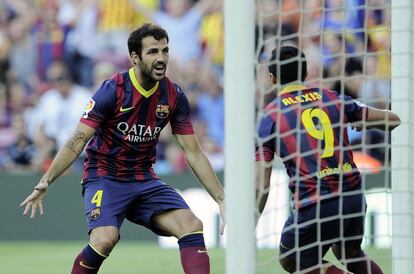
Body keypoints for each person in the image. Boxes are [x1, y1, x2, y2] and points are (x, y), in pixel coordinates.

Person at [20, 23, 225, 274]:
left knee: (191, 224)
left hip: (143, 178)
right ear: (135, 57)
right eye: (153, 52)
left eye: (165, 51)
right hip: (105, 176)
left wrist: (222, 199)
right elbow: (77, 140)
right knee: (105, 239)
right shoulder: (112, 90)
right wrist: (47, 179)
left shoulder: (173, 95)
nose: (161, 58)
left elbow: (193, 151)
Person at [255, 46, 400, 274]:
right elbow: (392, 121)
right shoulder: (332, 98)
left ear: (272, 78)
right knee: (349, 253)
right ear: (305, 75)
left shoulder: (270, 116)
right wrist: (364, 121)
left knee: (291, 260)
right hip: (352, 198)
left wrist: (252, 218)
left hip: (315, 203)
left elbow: (262, 184)